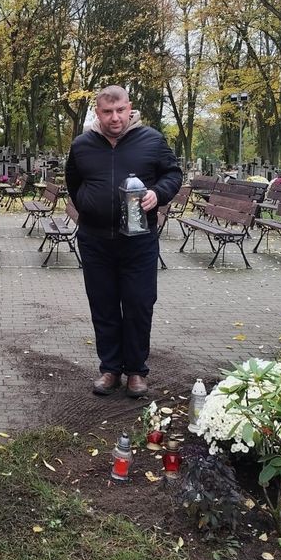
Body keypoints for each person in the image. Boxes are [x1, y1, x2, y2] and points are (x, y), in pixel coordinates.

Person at [64, 85, 183, 398]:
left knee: (138, 305)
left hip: (139, 242)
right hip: (95, 241)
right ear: (97, 112)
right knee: (103, 306)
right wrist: (91, 205)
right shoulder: (82, 145)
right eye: (107, 112)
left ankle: (135, 371)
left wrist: (159, 194)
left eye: (120, 111)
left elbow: (173, 174)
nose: (115, 118)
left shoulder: (152, 140)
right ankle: (110, 369)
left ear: (130, 108)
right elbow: (73, 184)